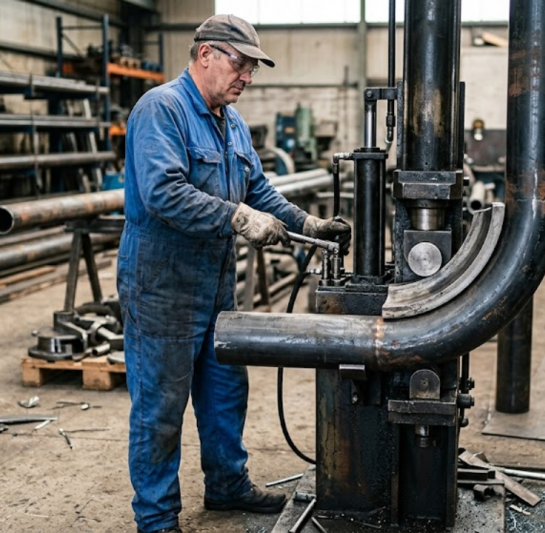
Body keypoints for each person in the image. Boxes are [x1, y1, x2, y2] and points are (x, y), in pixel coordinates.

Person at [117, 14, 351, 533]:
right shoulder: (162, 110)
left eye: (252, 68)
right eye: (240, 63)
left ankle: (227, 485)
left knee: (225, 391)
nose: (247, 76)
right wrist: (237, 218)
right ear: (206, 55)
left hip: (215, 286)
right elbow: (163, 194)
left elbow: (258, 190)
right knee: (160, 408)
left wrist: (306, 222)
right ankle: (156, 519)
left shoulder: (232, 122)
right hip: (162, 288)